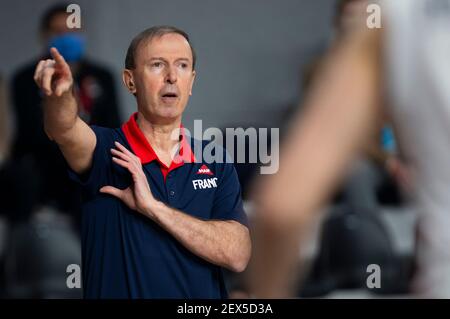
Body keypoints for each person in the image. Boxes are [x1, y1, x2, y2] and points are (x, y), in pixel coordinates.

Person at [250, 0, 450, 298]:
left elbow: (282, 208)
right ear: (338, 23)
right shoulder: (324, 70)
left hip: (397, 160)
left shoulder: (402, 23)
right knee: (355, 172)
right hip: (363, 160)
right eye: (352, 17)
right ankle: (368, 254)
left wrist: (397, 157)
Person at [33, 25, 251, 298]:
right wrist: (60, 95)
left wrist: (154, 209)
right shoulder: (105, 150)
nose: (172, 77)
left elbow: (237, 254)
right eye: (158, 65)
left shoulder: (215, 161)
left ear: (191, 81)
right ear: (130, 80)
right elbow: (63, 128)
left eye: (182, 66)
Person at [10, 4, 121, 218]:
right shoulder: (26, 78)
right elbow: (31, 133)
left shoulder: (102, 76)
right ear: (45, 35)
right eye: (59, 32)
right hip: (46, 188)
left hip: (96, 180)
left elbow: (113, 127)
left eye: (72, 31)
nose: (67, 37)